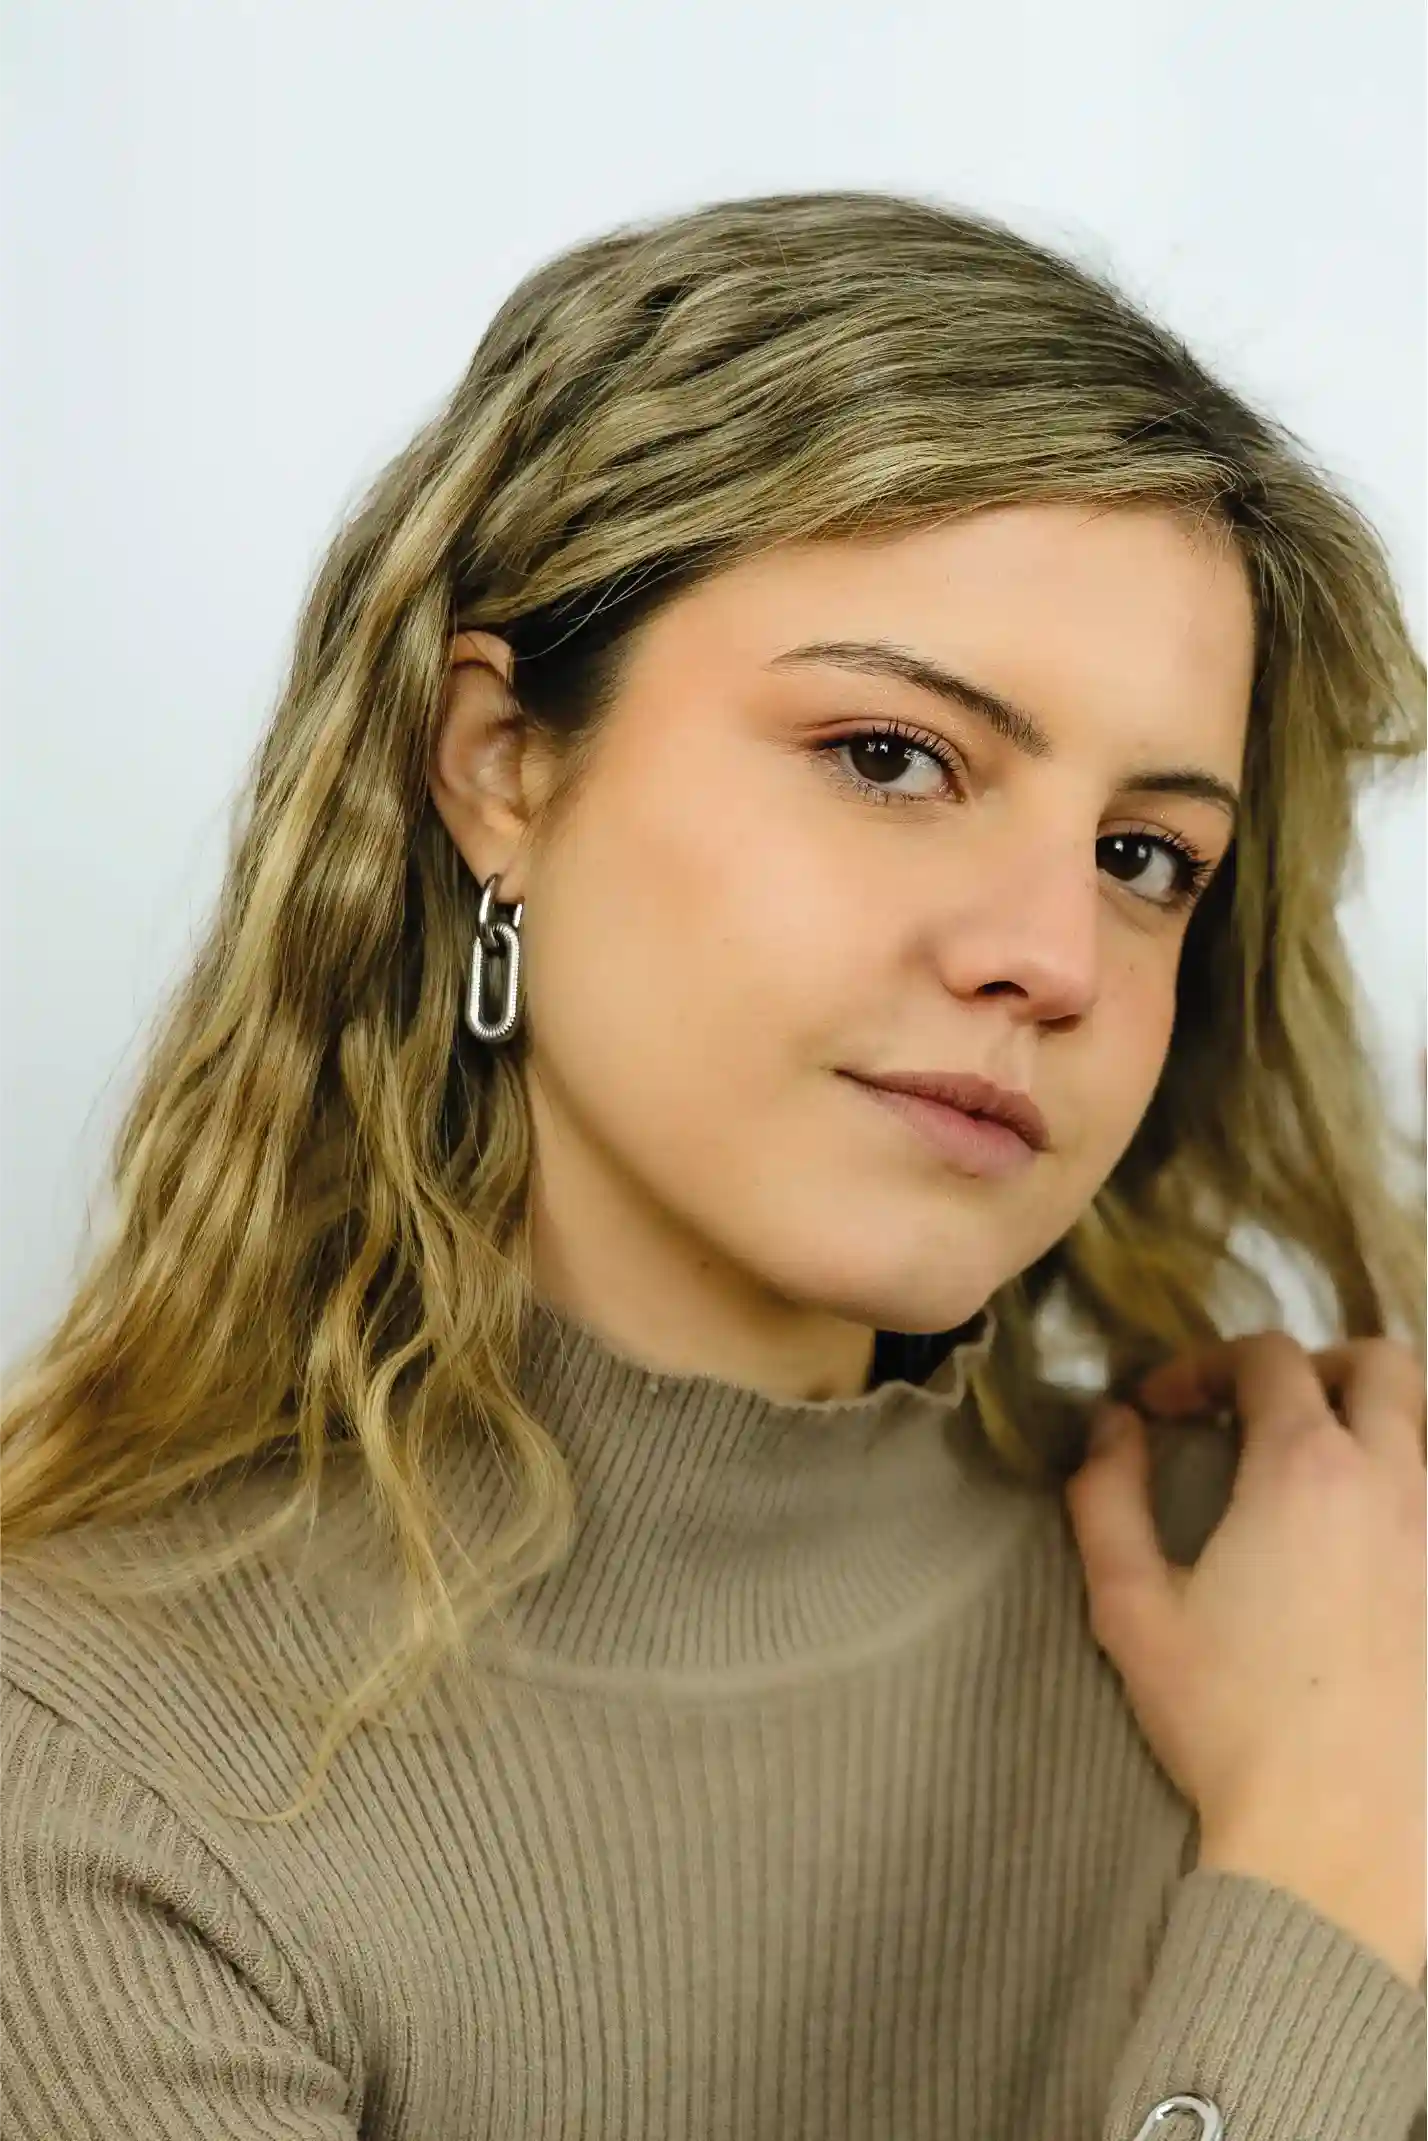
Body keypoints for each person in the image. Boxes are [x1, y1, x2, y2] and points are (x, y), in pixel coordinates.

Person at [1, 189, 1424, 2141]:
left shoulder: (1342, 1606)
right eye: (895, 755)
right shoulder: (98, 1776)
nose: (1057, 955)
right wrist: (1327, 1903)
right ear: (500, 758)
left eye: (1144, 852)